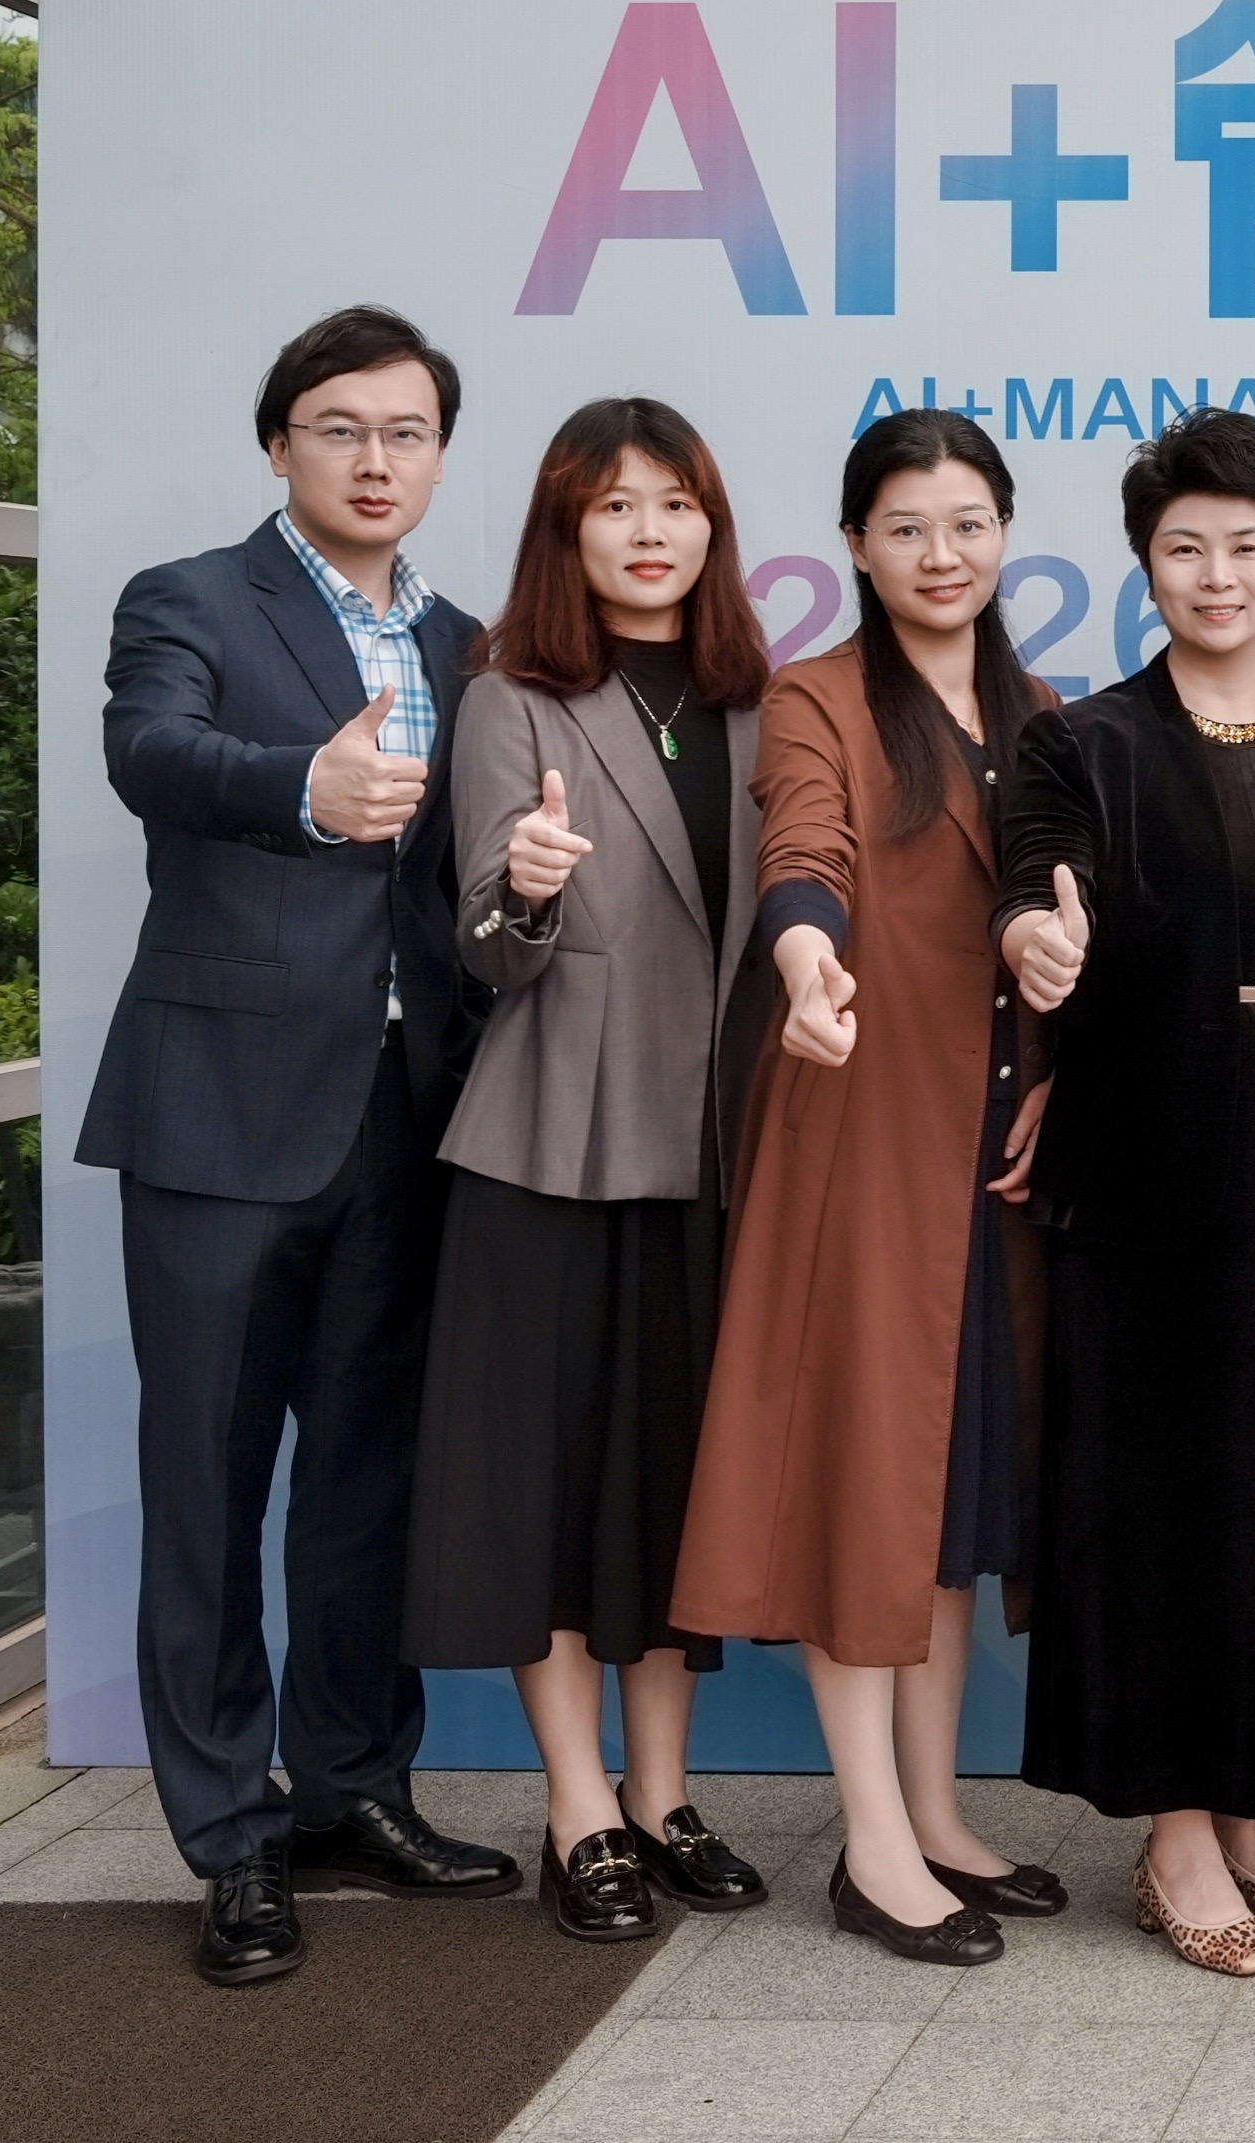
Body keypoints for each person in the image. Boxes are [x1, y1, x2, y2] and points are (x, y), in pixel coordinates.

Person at [87, 305, 524, 1983]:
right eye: (340, 428)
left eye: (406, 433)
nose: (374, 459)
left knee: (365, 1482)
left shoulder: (470, 645)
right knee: (207, 1487)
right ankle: (230, 1834)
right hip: (219, 1114)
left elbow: (467, 879)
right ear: (280, 443)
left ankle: (353, 1789)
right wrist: (301, 789)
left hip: (405, 1123)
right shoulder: (193, 600)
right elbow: (150, 752)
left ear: (439, 457)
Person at [995, 411, 1255, 1982]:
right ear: (1145, 565)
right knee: (1164, 1496)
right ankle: (1172, 1835)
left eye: (1247, 547)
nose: (1216, 575)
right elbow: (1035, 891)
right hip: (1150, 1160)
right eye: (1184, 548)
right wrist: (1038, 947)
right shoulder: (1081, 743)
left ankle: (1253, 1807)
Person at [671, 410, 1063, 1966]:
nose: (940, 554)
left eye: (967, 523)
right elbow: (807, 849)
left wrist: (1058, 1070)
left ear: (1004, 532)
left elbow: (1066, 922)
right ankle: (875, 1846)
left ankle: (939, 1811)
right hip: (867, 1139)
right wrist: (804, 959)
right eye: (906, 527)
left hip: (999, 1158)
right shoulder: (818, 696)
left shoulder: (1046, 714)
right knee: (863, 1487)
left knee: (952, 1499)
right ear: (854, 544)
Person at [406, 398, 780, 1942]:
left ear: (712, 525)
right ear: (568, 527)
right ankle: (579, 1810)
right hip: (554, 1146)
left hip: (710, 1152)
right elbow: (487, 942)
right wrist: (529, 885)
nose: (649, 531)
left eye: (675, 502)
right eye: (616, 504)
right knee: (549, 1493)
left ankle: (663, 1793)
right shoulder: (513, 692)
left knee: (673, 1488)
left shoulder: (759, 702)